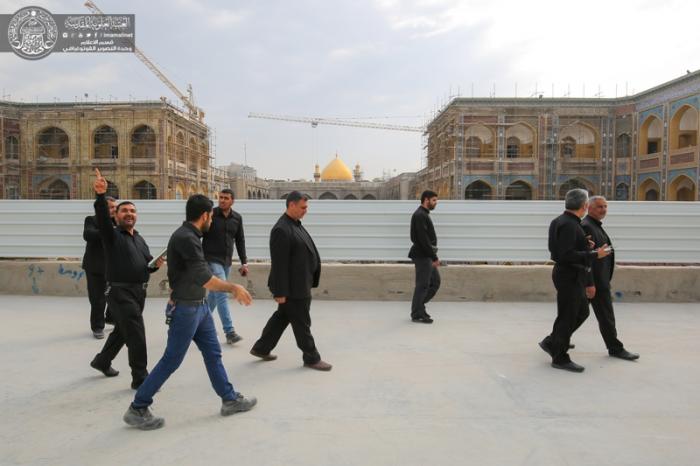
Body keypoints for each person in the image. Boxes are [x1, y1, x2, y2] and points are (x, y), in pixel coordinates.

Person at [124, 194, 256, 431]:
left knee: (213, 353)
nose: (212, 221)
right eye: (211, 217)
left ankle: (229, 400)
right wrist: (233, 287)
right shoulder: (186, 238)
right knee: (172, 360)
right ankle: (138, 407)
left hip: (200, 307)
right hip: (186, 309)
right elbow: (205, 278)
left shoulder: (192, 236)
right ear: (205, 216)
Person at [89, 168, 163, 388]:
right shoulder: (111, 235)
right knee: (137, 334)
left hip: (139, 292)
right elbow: (103, 219)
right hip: (120, 292)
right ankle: (141, 378)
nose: (129, 214)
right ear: (116, 216)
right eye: (124, 211)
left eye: (132, 211)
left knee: (123, 331)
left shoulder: (139, 239)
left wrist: (155, 266)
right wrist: (101, 195)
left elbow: (146, 265)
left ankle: (102, 361)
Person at [250, 191, 332, 371]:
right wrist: (280, 292)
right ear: (291, 205)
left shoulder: (295, 224)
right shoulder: (281, 229)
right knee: (302, 323)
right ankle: (311, 357)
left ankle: (261, 348)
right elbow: (279, 265)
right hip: (293, 288)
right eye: (303, 207)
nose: (305, 210)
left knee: (282, 317)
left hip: (300, 283)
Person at [539, 188, 610, 372]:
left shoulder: (561, 221)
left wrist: (585, 245)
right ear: (585, 205)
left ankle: (553, 341)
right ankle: (560, 357)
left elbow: (561, 248)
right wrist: (595, 254)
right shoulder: (570, 224)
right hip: (569, 275)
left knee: (581, 312)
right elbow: (566, 255)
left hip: (569, 274)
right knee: (568, 316)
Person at [581, 196, 639, 361]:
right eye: (599, 207)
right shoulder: (587, 227)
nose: (603, 210)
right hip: (595, 282)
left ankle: (553, 340)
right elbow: (586, 258)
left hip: (600, 280)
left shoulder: (595, 226)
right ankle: (615, 348)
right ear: (589, 208)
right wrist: (590, 283)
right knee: (604, 316)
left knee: (577, 315)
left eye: (605, 206)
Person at [202, 188, 248, 345]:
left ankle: (199, 323)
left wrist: (244, 262)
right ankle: (229, 332)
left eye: (226, 198)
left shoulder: (237, 218)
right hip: (211, 259)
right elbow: (199, 233)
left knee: (213, 296)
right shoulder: (211, 214)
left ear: (232, 201)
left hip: (226, 261)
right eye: (220, 197)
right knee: (222, 294)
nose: (222, 200)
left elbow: (240, 240)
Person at [82, 196, 116, 339]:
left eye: (115, 207)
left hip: (113, 267)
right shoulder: (91, 220)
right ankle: (97, 326)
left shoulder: (117, 221)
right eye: (111, 207)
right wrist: (107, 230)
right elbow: (88, 234)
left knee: (115, 295)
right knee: (97, 299)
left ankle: (110, 317)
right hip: (95, 267)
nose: (114, 210)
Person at [408, 190, 441, 324]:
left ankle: (418, 308)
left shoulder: (423, 214)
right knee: (423, 285)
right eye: (434, 200)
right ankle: (417, 313)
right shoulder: (420, 215)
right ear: (426, 200)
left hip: (426, 255)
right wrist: (434, 257)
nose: (436, 203)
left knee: (435, 282)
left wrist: (432, 256)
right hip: (423, 255)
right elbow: (423, 239)